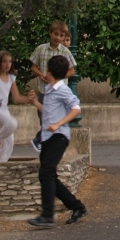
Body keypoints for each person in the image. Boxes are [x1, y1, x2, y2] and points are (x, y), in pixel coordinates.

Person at [26, 54, 87, 228]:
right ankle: (77, 207)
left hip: (58, 137)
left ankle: (47, 216)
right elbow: (48, 111)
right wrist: (35, 103)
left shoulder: (62, 89)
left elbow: (76, 109)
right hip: (48, 137)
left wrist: (59, 123)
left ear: (49, 71)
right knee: (48, 175)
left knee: (46, 173)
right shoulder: (50, 90)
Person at [29, 21, 75, 152]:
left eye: (61, 35)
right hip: (44, 89)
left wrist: (59, 76)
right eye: (56, 34)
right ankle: (42, 141)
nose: (58, 38)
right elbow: (33, 66)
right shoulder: (41, 49)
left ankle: (44, 141)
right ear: (50, 33)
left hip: (59, 90)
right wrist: (41, 74)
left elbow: (72, 70)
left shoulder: (65, 52)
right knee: (44, 116)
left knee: (58, 116)